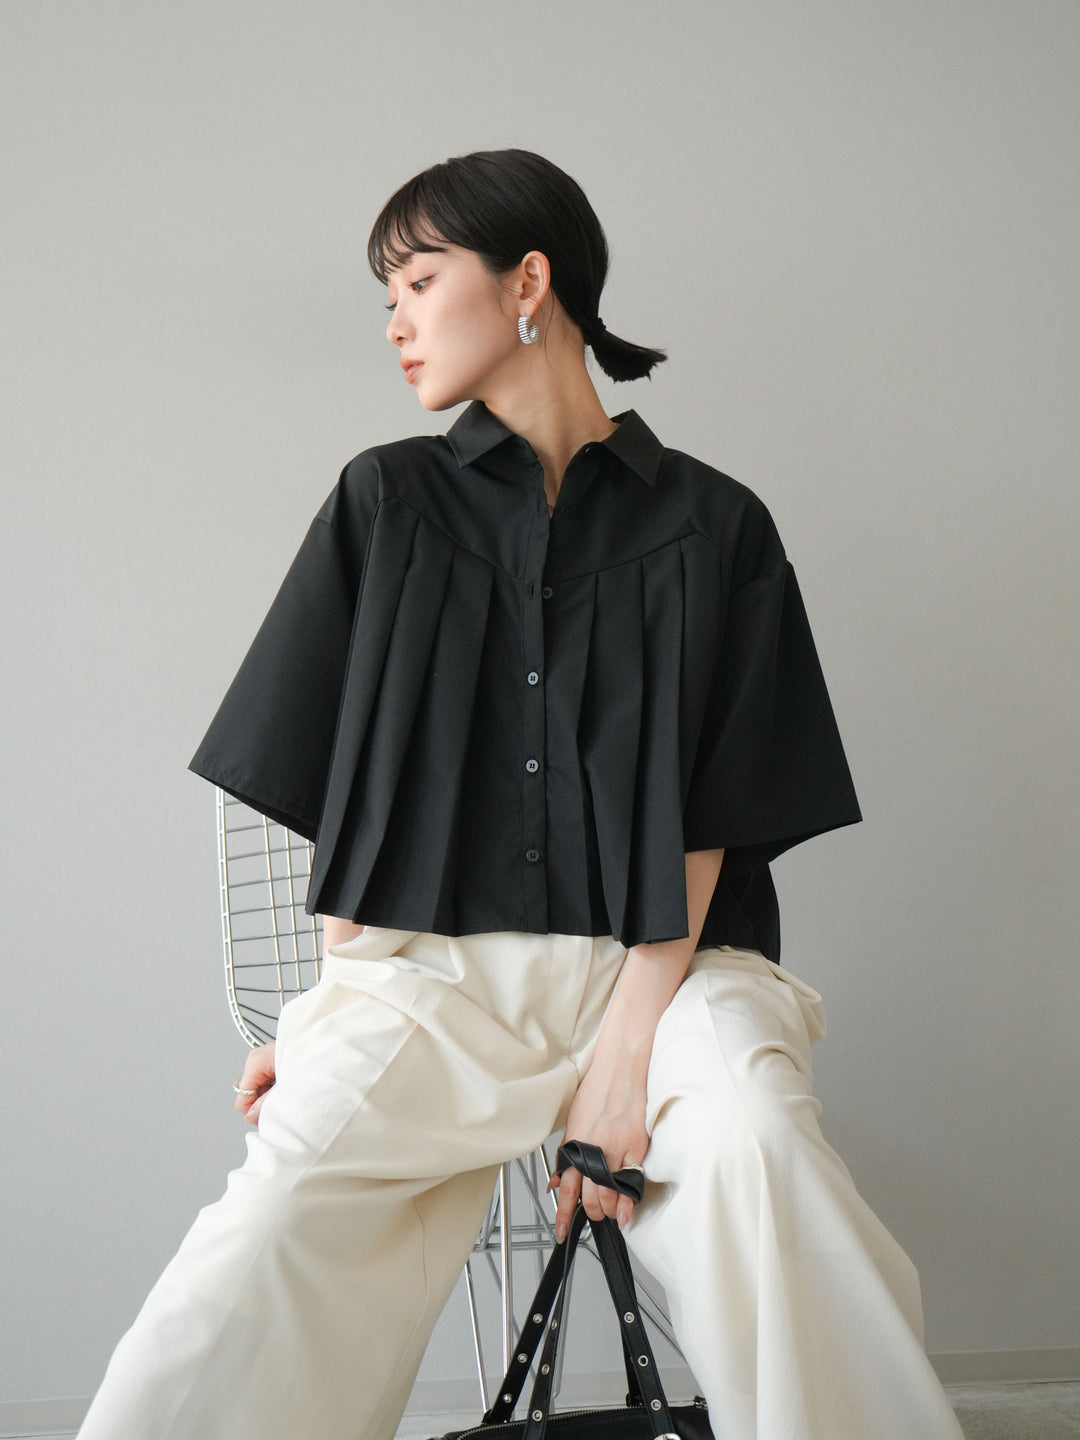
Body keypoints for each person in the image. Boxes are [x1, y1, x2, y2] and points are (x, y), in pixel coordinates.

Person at [77, 149, 964, 1440]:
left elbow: (712, 817)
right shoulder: (386, 503)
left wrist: (622, 1064)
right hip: (438, 986)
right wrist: (327, 1020)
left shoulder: (718, 527)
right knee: (278, 1216)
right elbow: (345, 780)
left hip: (671, 976)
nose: (395, 320)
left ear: (528, 282)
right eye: (389, 294)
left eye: (419, 281)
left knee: (762, 1158)